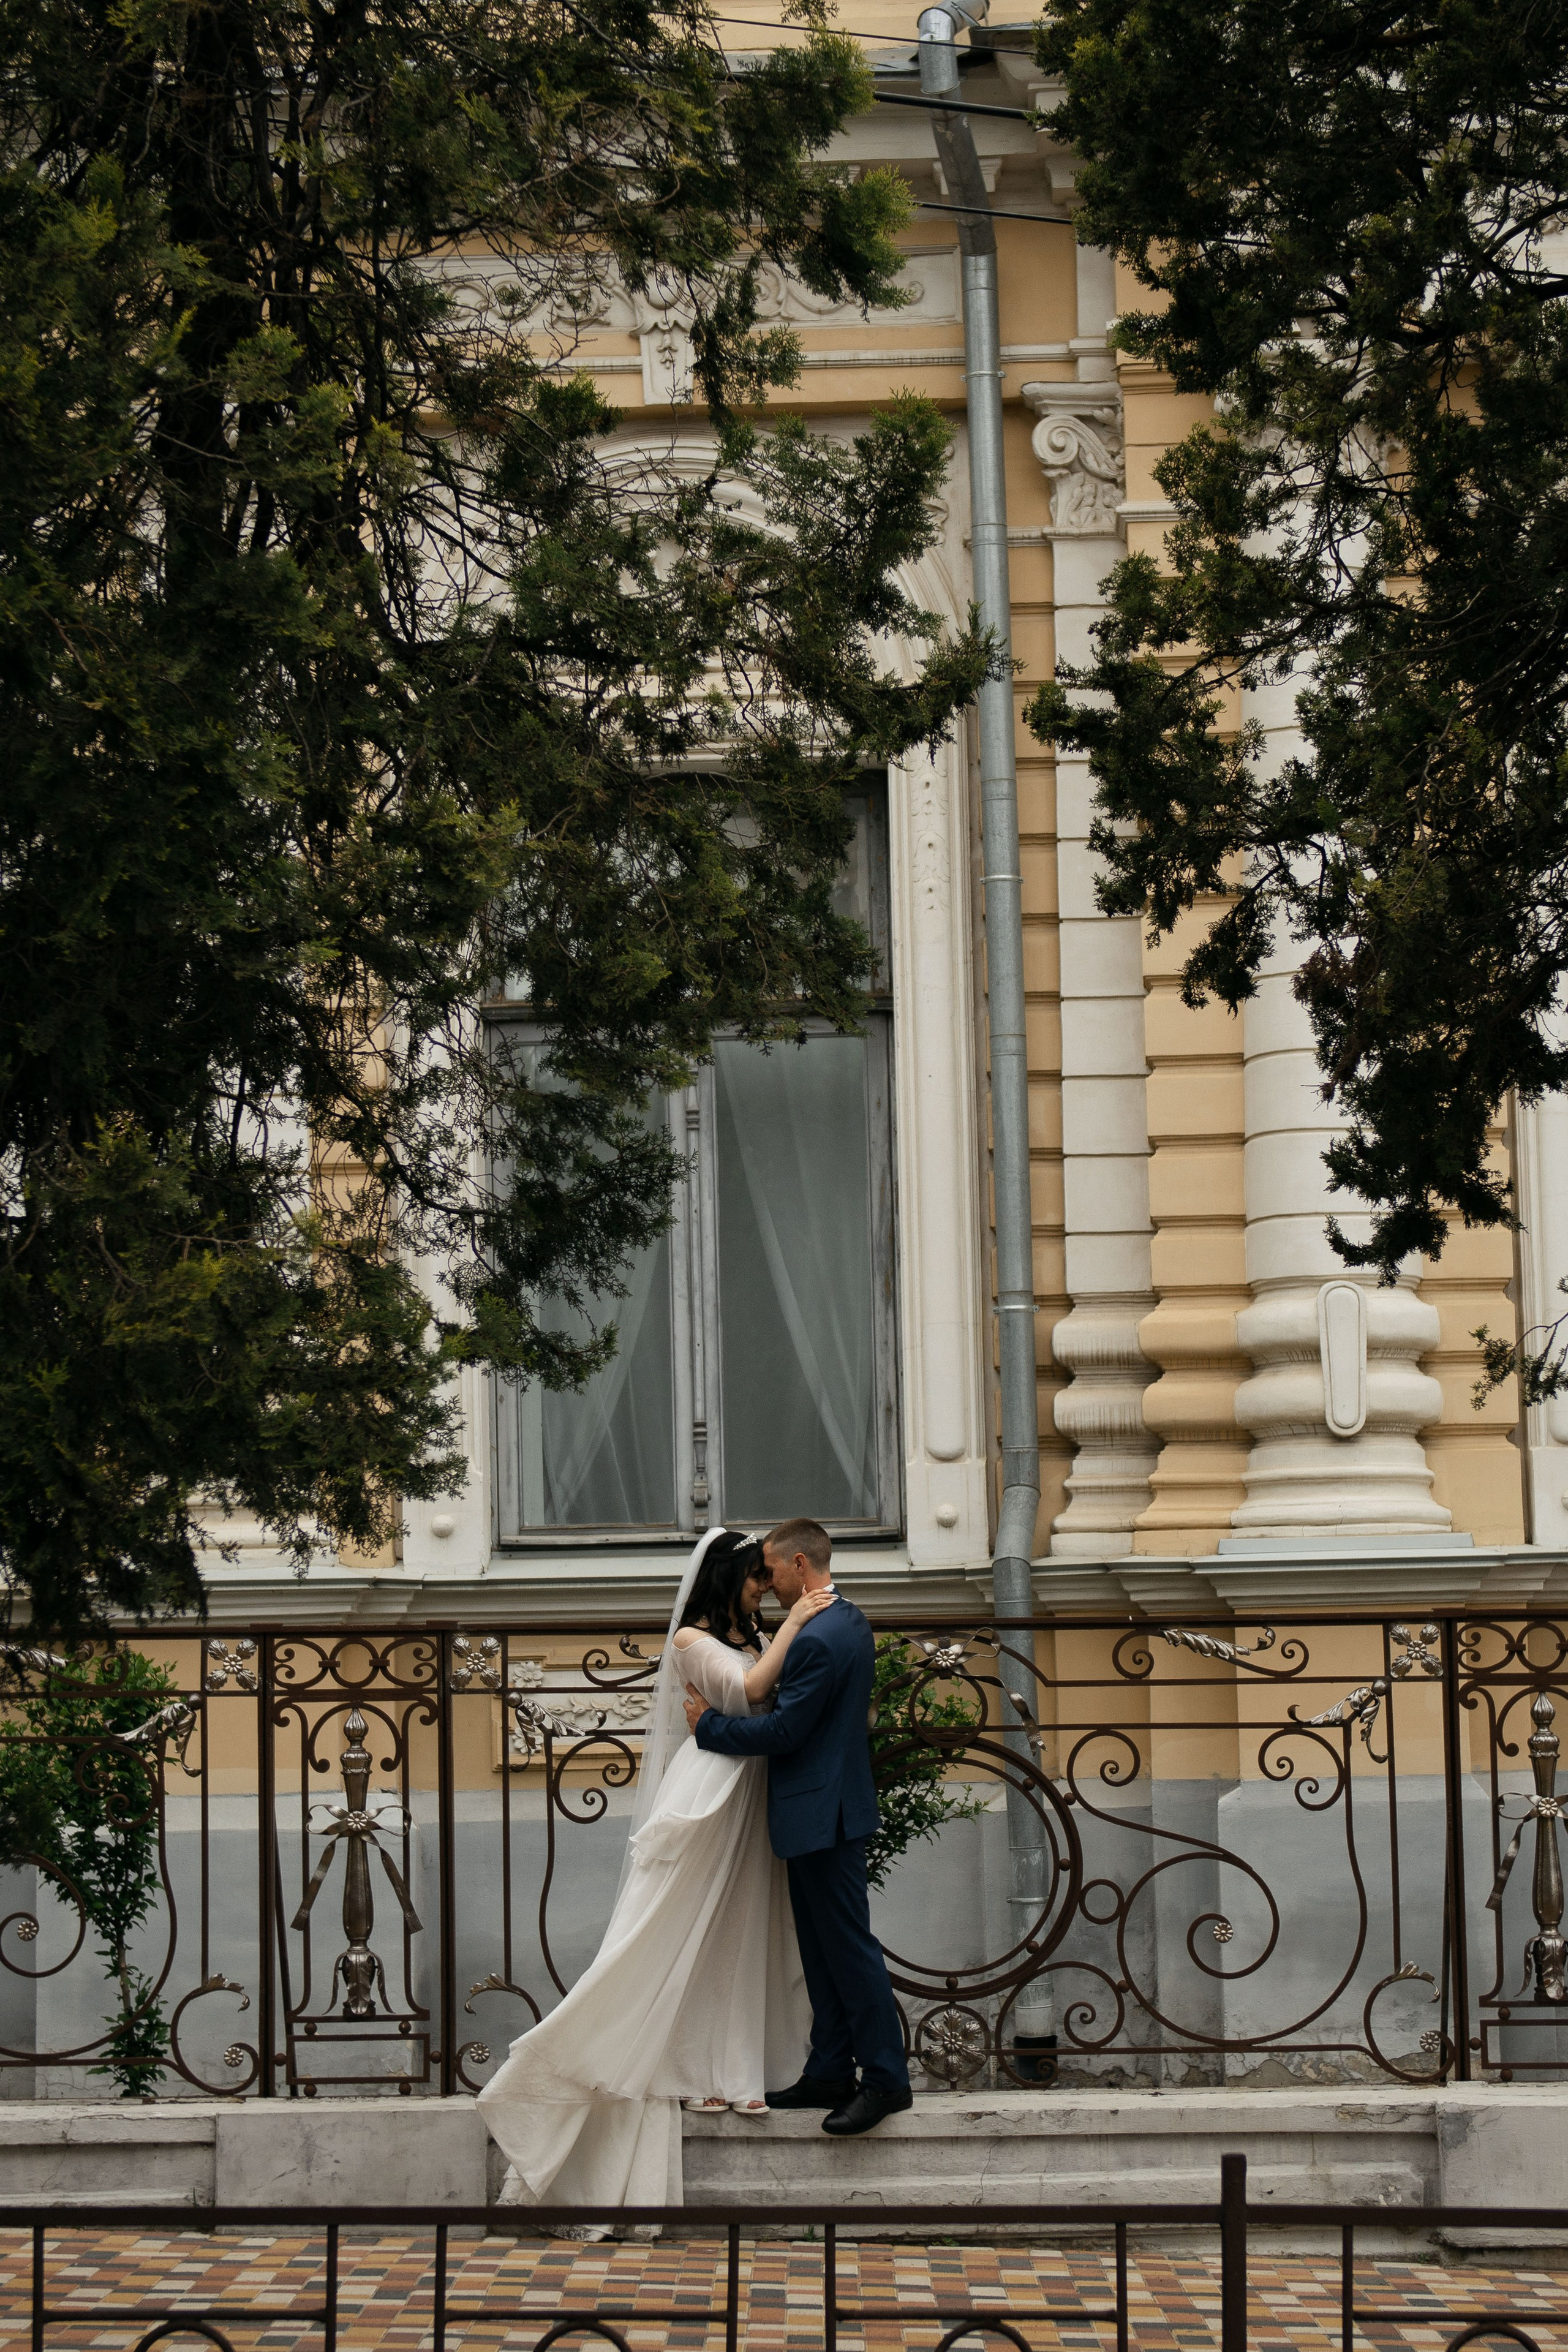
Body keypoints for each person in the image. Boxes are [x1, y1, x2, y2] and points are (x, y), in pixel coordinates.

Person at [476, 1526, 829, 2207]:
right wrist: (799, 1623)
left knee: (738, 1929)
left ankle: (728, 2070)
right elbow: (750, 1686)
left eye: (767, 1576)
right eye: (755, 1576)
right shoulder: (691, 1641)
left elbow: (770, 1698)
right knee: (666, 1927)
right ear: (727, 1579)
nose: (765, 1586)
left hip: (748, 1791)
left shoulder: (754, 1635)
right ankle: (582, 2064)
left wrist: (783, 1634)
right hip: (707, 1792)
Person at [683, 1517, 913, 2137]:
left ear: (800, 1566)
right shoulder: (848, 1619)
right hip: (827, 1808)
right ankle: (830, 2070)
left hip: (824, 1813)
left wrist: (709, 1727)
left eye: (771, 1569)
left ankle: (886, 2080)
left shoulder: (815, 1638)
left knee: (847, 1948)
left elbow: (786, 1732)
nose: (767, 1580)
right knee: (822, 1948)